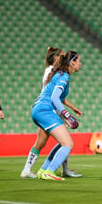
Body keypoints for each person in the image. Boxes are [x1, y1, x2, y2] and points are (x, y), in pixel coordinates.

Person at [21, 47, 82, 179]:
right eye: (79, 61)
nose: (80, 64)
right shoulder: (64, 76)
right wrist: (67, 115)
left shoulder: (60, 74)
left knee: (62, 142)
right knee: (68, 144)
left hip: (40, 109)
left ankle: (43, 170)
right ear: (72, 63)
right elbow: (54, 97)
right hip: (46, 109)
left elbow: (55, 96)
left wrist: (71, 109)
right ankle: (49, 172)